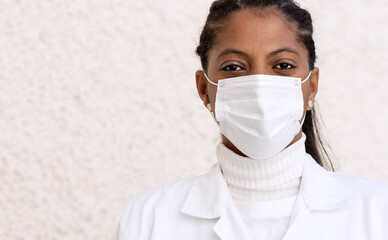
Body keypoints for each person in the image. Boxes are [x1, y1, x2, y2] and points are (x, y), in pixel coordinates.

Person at [112, 0, 388, 239]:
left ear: (311, 85)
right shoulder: (149, 219)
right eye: (233, 67)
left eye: (282, 66)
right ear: (203, 89)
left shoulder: (377, 212)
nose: (258, 86)